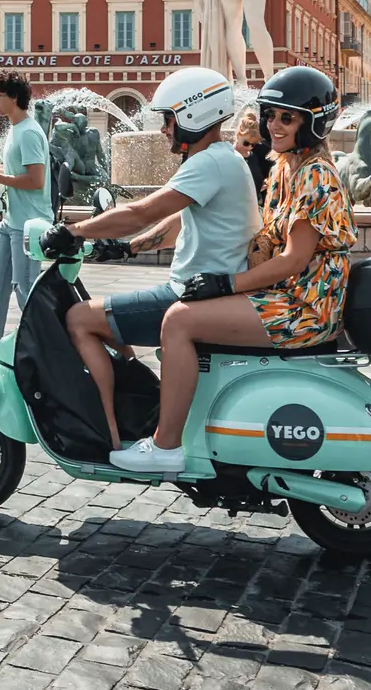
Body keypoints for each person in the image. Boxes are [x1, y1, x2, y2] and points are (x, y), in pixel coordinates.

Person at [103, 67, 348, 475]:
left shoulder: (315, 175)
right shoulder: (288, 168)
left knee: (180, 321)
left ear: (312, 122)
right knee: (185, 314)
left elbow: (294, 261)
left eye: (286, 118)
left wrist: (227, 282)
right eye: (271, 115)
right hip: (290, 296)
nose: (274, 125)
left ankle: (165, 446)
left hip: (304, 307)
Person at [47, 68, 259, 452]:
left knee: (79, 318)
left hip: (191, 296)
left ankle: (108, 435)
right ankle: (141, 409)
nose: (164, 129)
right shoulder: (222, 158)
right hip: (195, 290)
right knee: (107, 321)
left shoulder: (209, 163)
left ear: (193, 115)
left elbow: (142, 211)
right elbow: (178, 220)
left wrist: (76, 231)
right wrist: (127, 248)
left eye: (169, 119)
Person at [0, 72, 52, 354]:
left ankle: (43, 348)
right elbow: (22, 175)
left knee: (26, 289)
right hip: (11, 222)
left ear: (14, 97)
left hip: (29, 225)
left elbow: (36, 181)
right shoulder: (16, 129)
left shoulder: (29, 132)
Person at [231, 107, 271, 202]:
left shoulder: (254, 157)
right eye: (246, 143)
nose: (249, 147)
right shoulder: (229, 156)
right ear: (238, 135)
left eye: (253, 145)